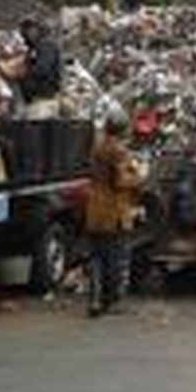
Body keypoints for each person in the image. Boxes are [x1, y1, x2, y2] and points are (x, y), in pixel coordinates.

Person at [84, 110, 143, 317]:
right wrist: (139, 177)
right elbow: (120, 181)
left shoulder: (97, 148)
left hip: (94, 210)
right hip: (113, 212)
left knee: (96, 257)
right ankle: (111, 301)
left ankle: (94, 300)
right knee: (114, 258)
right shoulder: (119, 151)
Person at [16, 18, 63, 120]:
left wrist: (23, 73)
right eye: (26, 29)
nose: (27, 33)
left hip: (44, 99)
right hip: (34, 100)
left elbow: (43, 69)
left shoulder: (47, 46)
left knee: (38, 130)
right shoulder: (34, 48)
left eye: (30, 28)